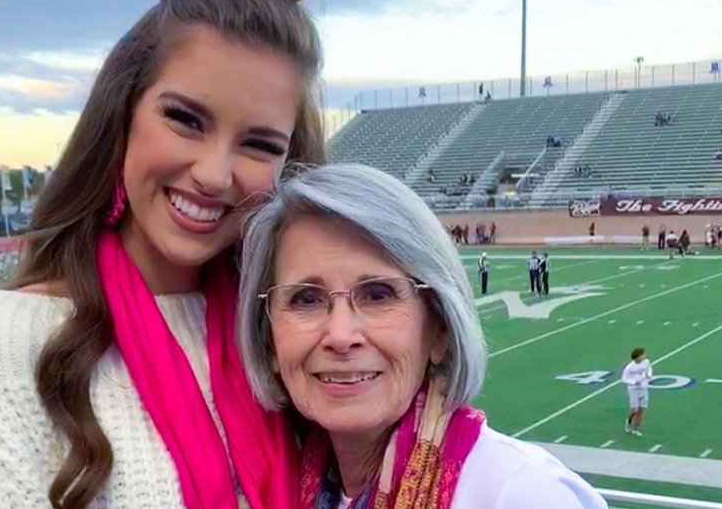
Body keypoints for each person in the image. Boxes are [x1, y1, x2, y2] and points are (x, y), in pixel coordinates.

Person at [0, 0, 326, 507]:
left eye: (259, 145)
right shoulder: (8, 335)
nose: (214, 175)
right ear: (123, 113)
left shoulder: (282, 328)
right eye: (185, 119)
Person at [236, 163, 606, 508]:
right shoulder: (286, 485)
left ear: (439, 329)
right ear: (268, 338)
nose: (341, 335)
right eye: (306, 299)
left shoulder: (520, 494)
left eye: (378, 294)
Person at [620, 348, 651, 437]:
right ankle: (629, 421)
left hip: (643, 388)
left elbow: (649, 369)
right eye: (642, 355)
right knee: (635, 410)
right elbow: (624, 379)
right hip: (633, 389)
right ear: (637, 357)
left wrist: (649, 376)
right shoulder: (629, 368)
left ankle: (636, 429)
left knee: (642, 410)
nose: (644, 356)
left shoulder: (646, 362)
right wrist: (634, 382)